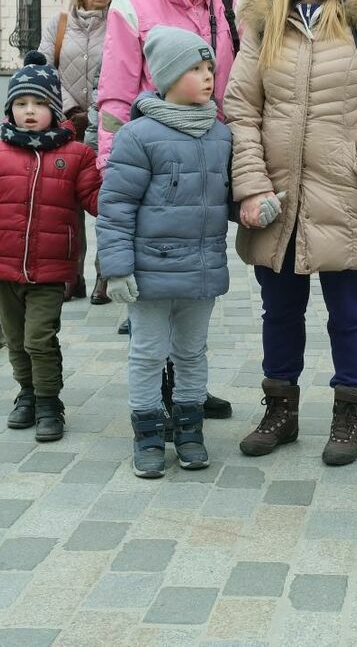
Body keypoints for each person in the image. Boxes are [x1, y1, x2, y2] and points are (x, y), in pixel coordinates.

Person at [224, 0, 357, 467]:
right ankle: (279, 410)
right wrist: (253, 183)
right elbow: (241, 108)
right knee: (278, 310)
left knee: (350, 310)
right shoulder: (264, 24)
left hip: (345, 194)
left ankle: (348, 413)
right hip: (277, 197)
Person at [96, 0, 235, 418]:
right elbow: (114, 93)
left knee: (192, 277)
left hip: (200, 148)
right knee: (156, 282)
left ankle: (187, 390)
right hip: (150, 154)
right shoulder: (131, 3)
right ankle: (158, 400)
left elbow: (223, 85)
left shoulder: (216, 7)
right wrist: (111, 165)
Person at [96, 27, 234, 478]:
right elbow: (115, 205)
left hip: (201, 271)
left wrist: (258, 204)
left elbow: (226, 196)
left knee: (193, 352)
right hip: (149, 274)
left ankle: (189, 429)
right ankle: (149, 432)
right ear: (168, 76)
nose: (208, 76)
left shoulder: (220, 135)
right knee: (148, 353)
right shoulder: (139, 135)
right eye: (195, 69)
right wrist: (116, 269)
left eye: (209, 67)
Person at [0, 52, 102, 442]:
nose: (29, 111)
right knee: (15, 338)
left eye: (39, 103)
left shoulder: (76, 155)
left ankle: (48, 401)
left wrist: (118, 172)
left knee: (38, 338)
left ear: (55, 109)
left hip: (51, 269)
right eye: (21, 103)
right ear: (9, 108)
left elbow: (96, 201)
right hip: (2, 270)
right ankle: (26, 393)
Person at [39, 0, 121, 304]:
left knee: (105, 200)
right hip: (65, 125)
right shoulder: (57, 24)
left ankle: (105, 274)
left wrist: (94, 111)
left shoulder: (120, 23)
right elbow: (43, 70)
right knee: (65, 204)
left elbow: (123, 69)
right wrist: (69, 109)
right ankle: (72, 273)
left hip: (105, 126)